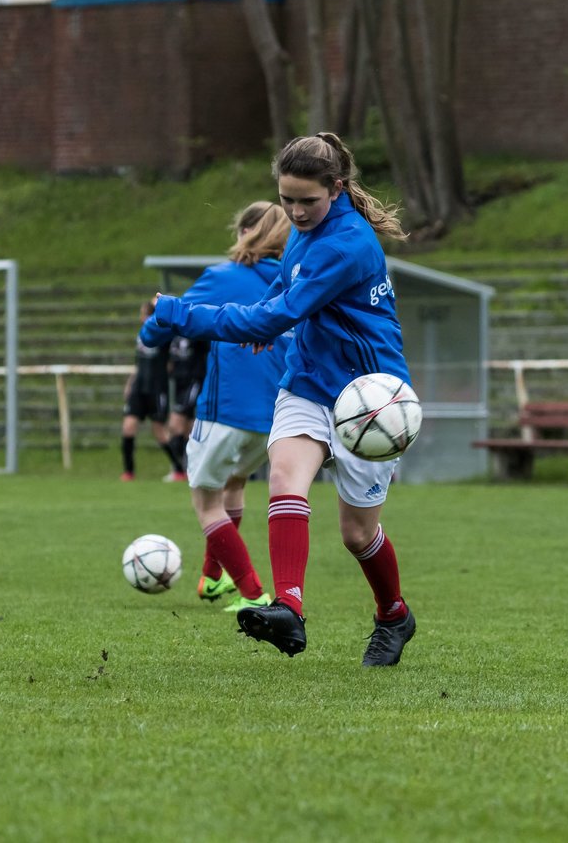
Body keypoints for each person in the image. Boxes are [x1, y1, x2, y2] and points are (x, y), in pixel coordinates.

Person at [145, 133, 416, 667]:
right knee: (286, 480)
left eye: (307, 201)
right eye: (286, 199)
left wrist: (183, 313)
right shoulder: (302, 230)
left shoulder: (346, 245)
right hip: (309, 381)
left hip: (369, 395)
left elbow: (277, 315)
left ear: (336, 189)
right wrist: (269, 314)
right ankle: (288, 607)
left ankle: (393, 615)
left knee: (357, 534)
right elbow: (281, 297)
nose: (294, 211)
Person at [142, 201, 291, 613]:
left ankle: (253, 593)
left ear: (246, 233)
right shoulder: (295, 281)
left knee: (205, 502)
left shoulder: (226, 276)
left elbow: (172, 317)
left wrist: (149, 331)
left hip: (225, 410)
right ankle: (211, 578)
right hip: (275, 417)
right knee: (235, 483)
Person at [121, 298, 186, 482]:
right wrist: (130, 382)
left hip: (157, 387)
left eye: (143, 313)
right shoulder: (140, 335)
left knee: (159, 430)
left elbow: (173, 360)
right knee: (128, 426)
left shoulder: (163, 334)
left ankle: (179, 469)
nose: (141, 317)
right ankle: (128, 472)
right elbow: (138, 361)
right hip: (139, 386)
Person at [161, 334, 208, 482]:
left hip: (193, 380)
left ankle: (178, 469)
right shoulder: (174, 332)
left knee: (175, 424)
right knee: (188, 427)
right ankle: (188, 468)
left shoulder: (198, 332)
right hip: (179, 382)